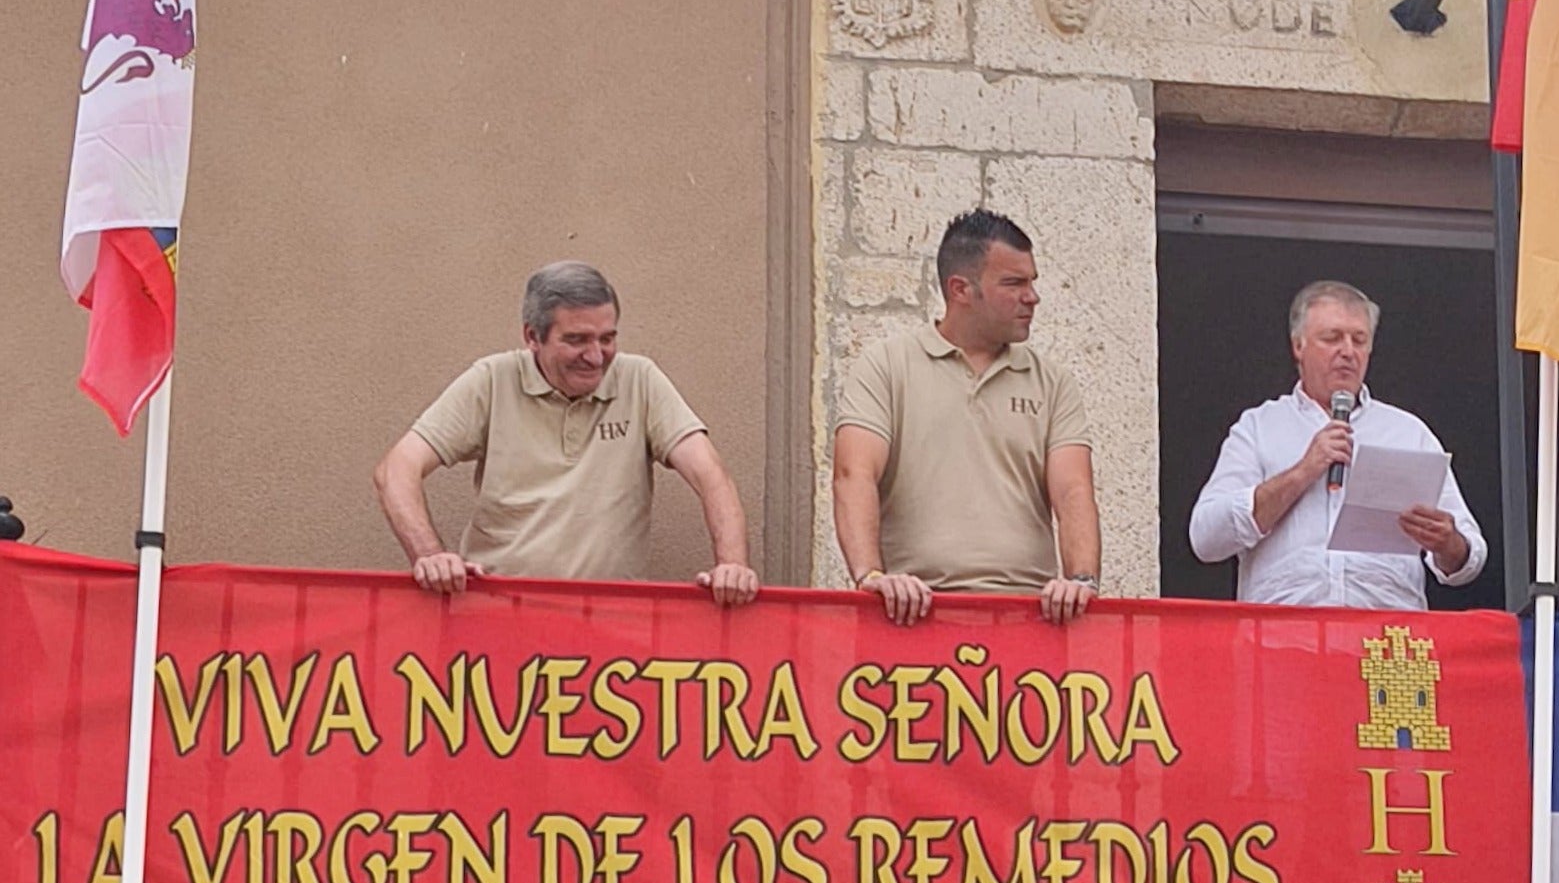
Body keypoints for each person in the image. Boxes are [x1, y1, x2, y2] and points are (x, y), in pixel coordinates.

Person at [374, 261, 756, 603]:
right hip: (495, 621)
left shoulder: (641, 379)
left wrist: (733, 567)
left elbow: (712, 476)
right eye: (576, 340)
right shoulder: (492, 380)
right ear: (532, 337)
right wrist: (429, 556)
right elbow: (396, 470)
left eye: (607, 339)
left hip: (608, 628)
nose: (595, 356)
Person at [832, 209, 1100, 626]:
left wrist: (1081, 582)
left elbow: (1073, 491)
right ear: (960, 289)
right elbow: (853, 475)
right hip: (912, 614)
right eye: (1014, 283)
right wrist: (872, 578)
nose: (1032, 297)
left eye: (1032, 282)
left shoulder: (1053, 382)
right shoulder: (886, 366)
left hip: (1030, 618)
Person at [1188, 280, 1486, 608]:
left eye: (1359, 340)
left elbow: (1469, 558)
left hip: (1384, 641)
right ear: (1298, 346)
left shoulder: (1408, 432)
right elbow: (1206, 538)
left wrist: (1447, 543)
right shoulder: (1259, 427)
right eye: (1332, 338)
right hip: (1282, 641)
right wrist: (1303, 471)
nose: (1347, 351)